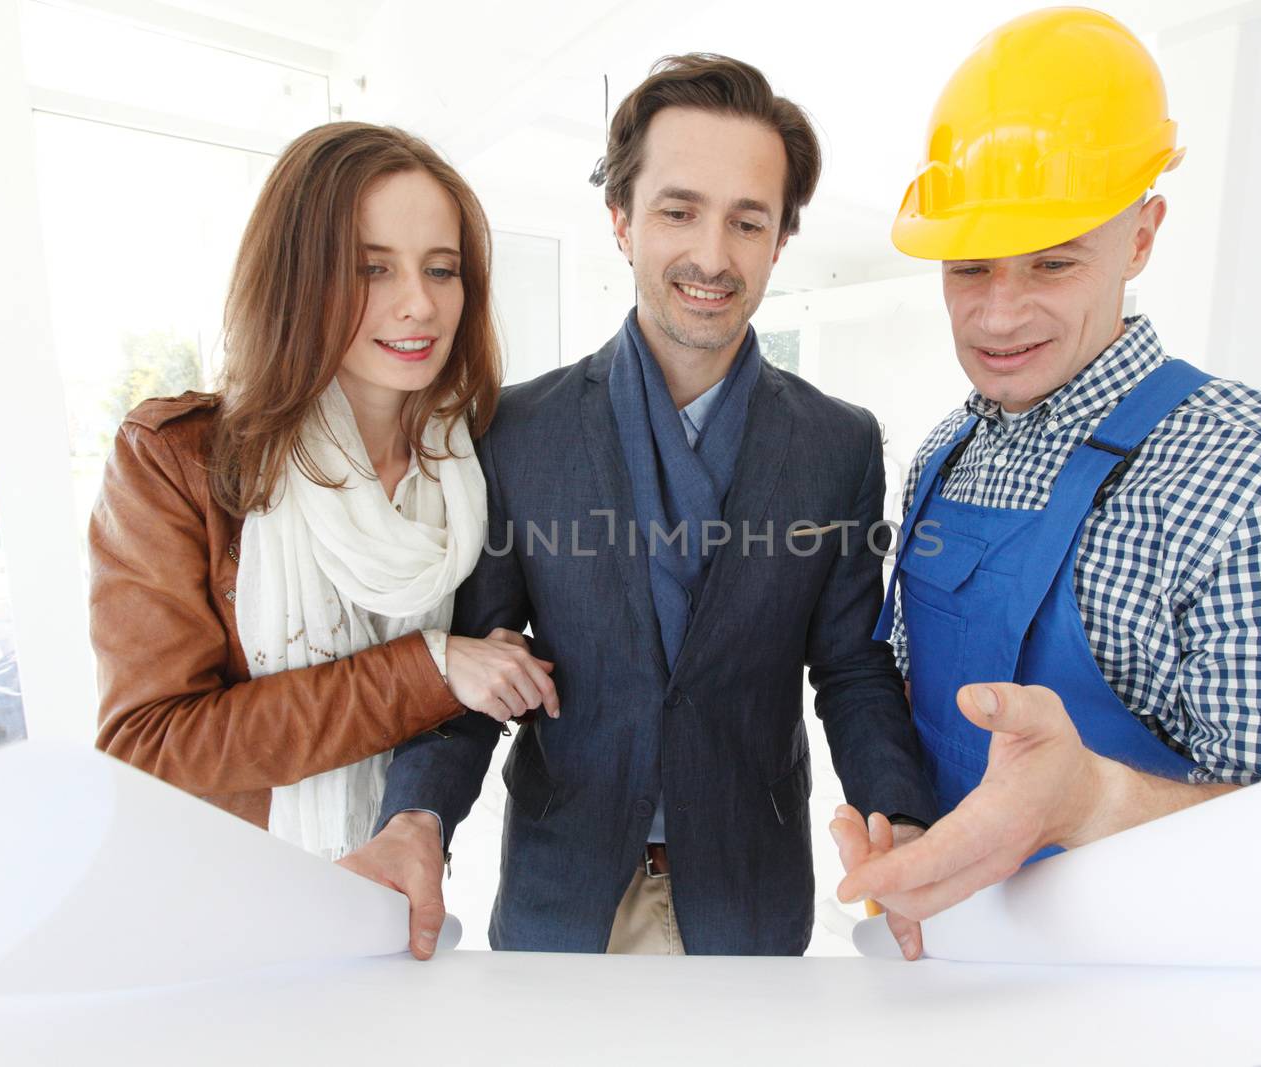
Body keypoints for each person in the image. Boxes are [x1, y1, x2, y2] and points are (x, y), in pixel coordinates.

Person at [832, 8, 1261, 947]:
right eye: (970, 265)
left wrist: (1092, 800)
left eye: (1055, 262)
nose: (999, 312)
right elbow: (912, 683)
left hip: (1162, 990)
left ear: (1141, 237)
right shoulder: (944, 451)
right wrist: (898, 809)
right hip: (951, 953)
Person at [340, 55, 936, 959]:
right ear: (620, 220)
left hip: (750, 889)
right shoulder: (515, 430)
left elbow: (850, 667)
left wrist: (903, 818)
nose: (712, 254)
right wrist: (416, 816)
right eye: (678, 210)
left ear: (781, 240)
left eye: (748, 221)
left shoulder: (838, 443)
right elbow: (481, 665)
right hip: (564, 885)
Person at [89, 123, 557, 881]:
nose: (419, 305)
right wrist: (428, 668)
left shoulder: (473, 465)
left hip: (400, 878)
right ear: (295, 277)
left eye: (442, 270)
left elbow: (479, 688)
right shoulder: (179, 458)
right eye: (371, 269)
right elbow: (151, 746)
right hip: (228, 888)